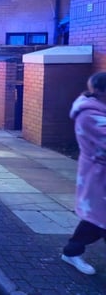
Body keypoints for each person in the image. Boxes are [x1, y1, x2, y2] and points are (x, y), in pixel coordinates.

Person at [61, 71, 106, 275]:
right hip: (98, 175)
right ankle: (71, 252)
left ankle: (71, 251)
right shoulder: (89, 114)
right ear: (100, 91)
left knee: (97, 219)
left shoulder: (99, 109)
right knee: (97, 219)